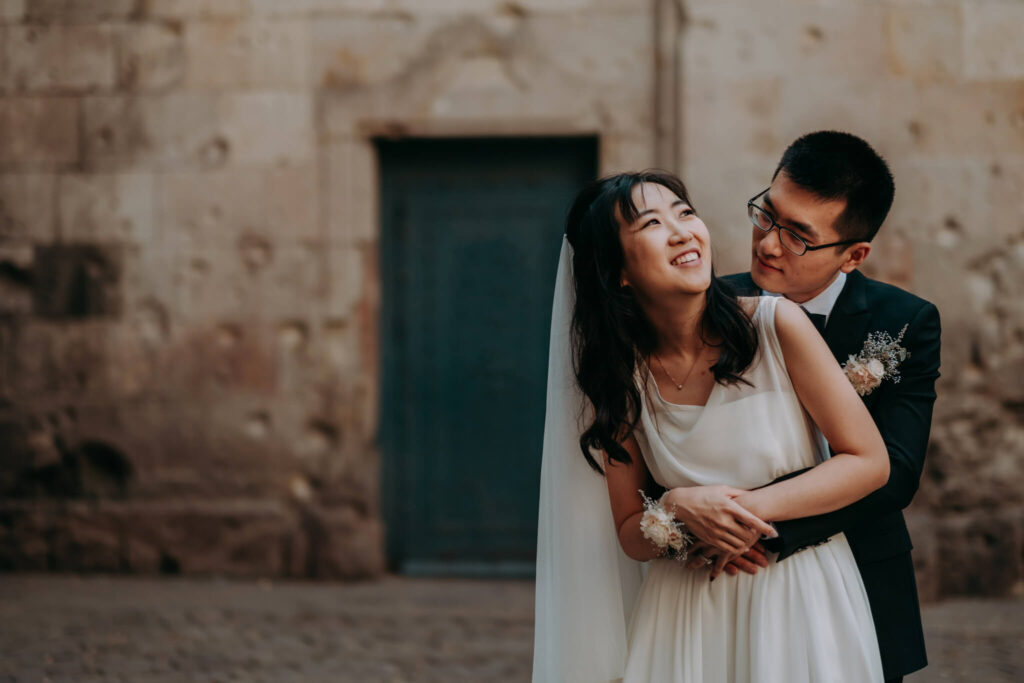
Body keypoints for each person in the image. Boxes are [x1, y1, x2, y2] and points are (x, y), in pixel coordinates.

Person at [532, 170, 889, 682]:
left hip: (797, 597)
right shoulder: (616, 380)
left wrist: (734, 514)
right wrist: (678, 507)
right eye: (652, 224)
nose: (682, 231)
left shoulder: (775, 325)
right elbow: (631, 534)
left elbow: (868, 462)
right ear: (619, 272)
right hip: (684, 612)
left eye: (684, 213)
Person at [720, 131, 941, 682]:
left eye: (798, 236)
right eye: (766, 215)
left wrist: (763, 527)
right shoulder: (710, 306)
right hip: (725, 576)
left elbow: (897, 472)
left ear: (854, 255)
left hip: (859, 573)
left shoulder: (904, 321)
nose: (769, 244)